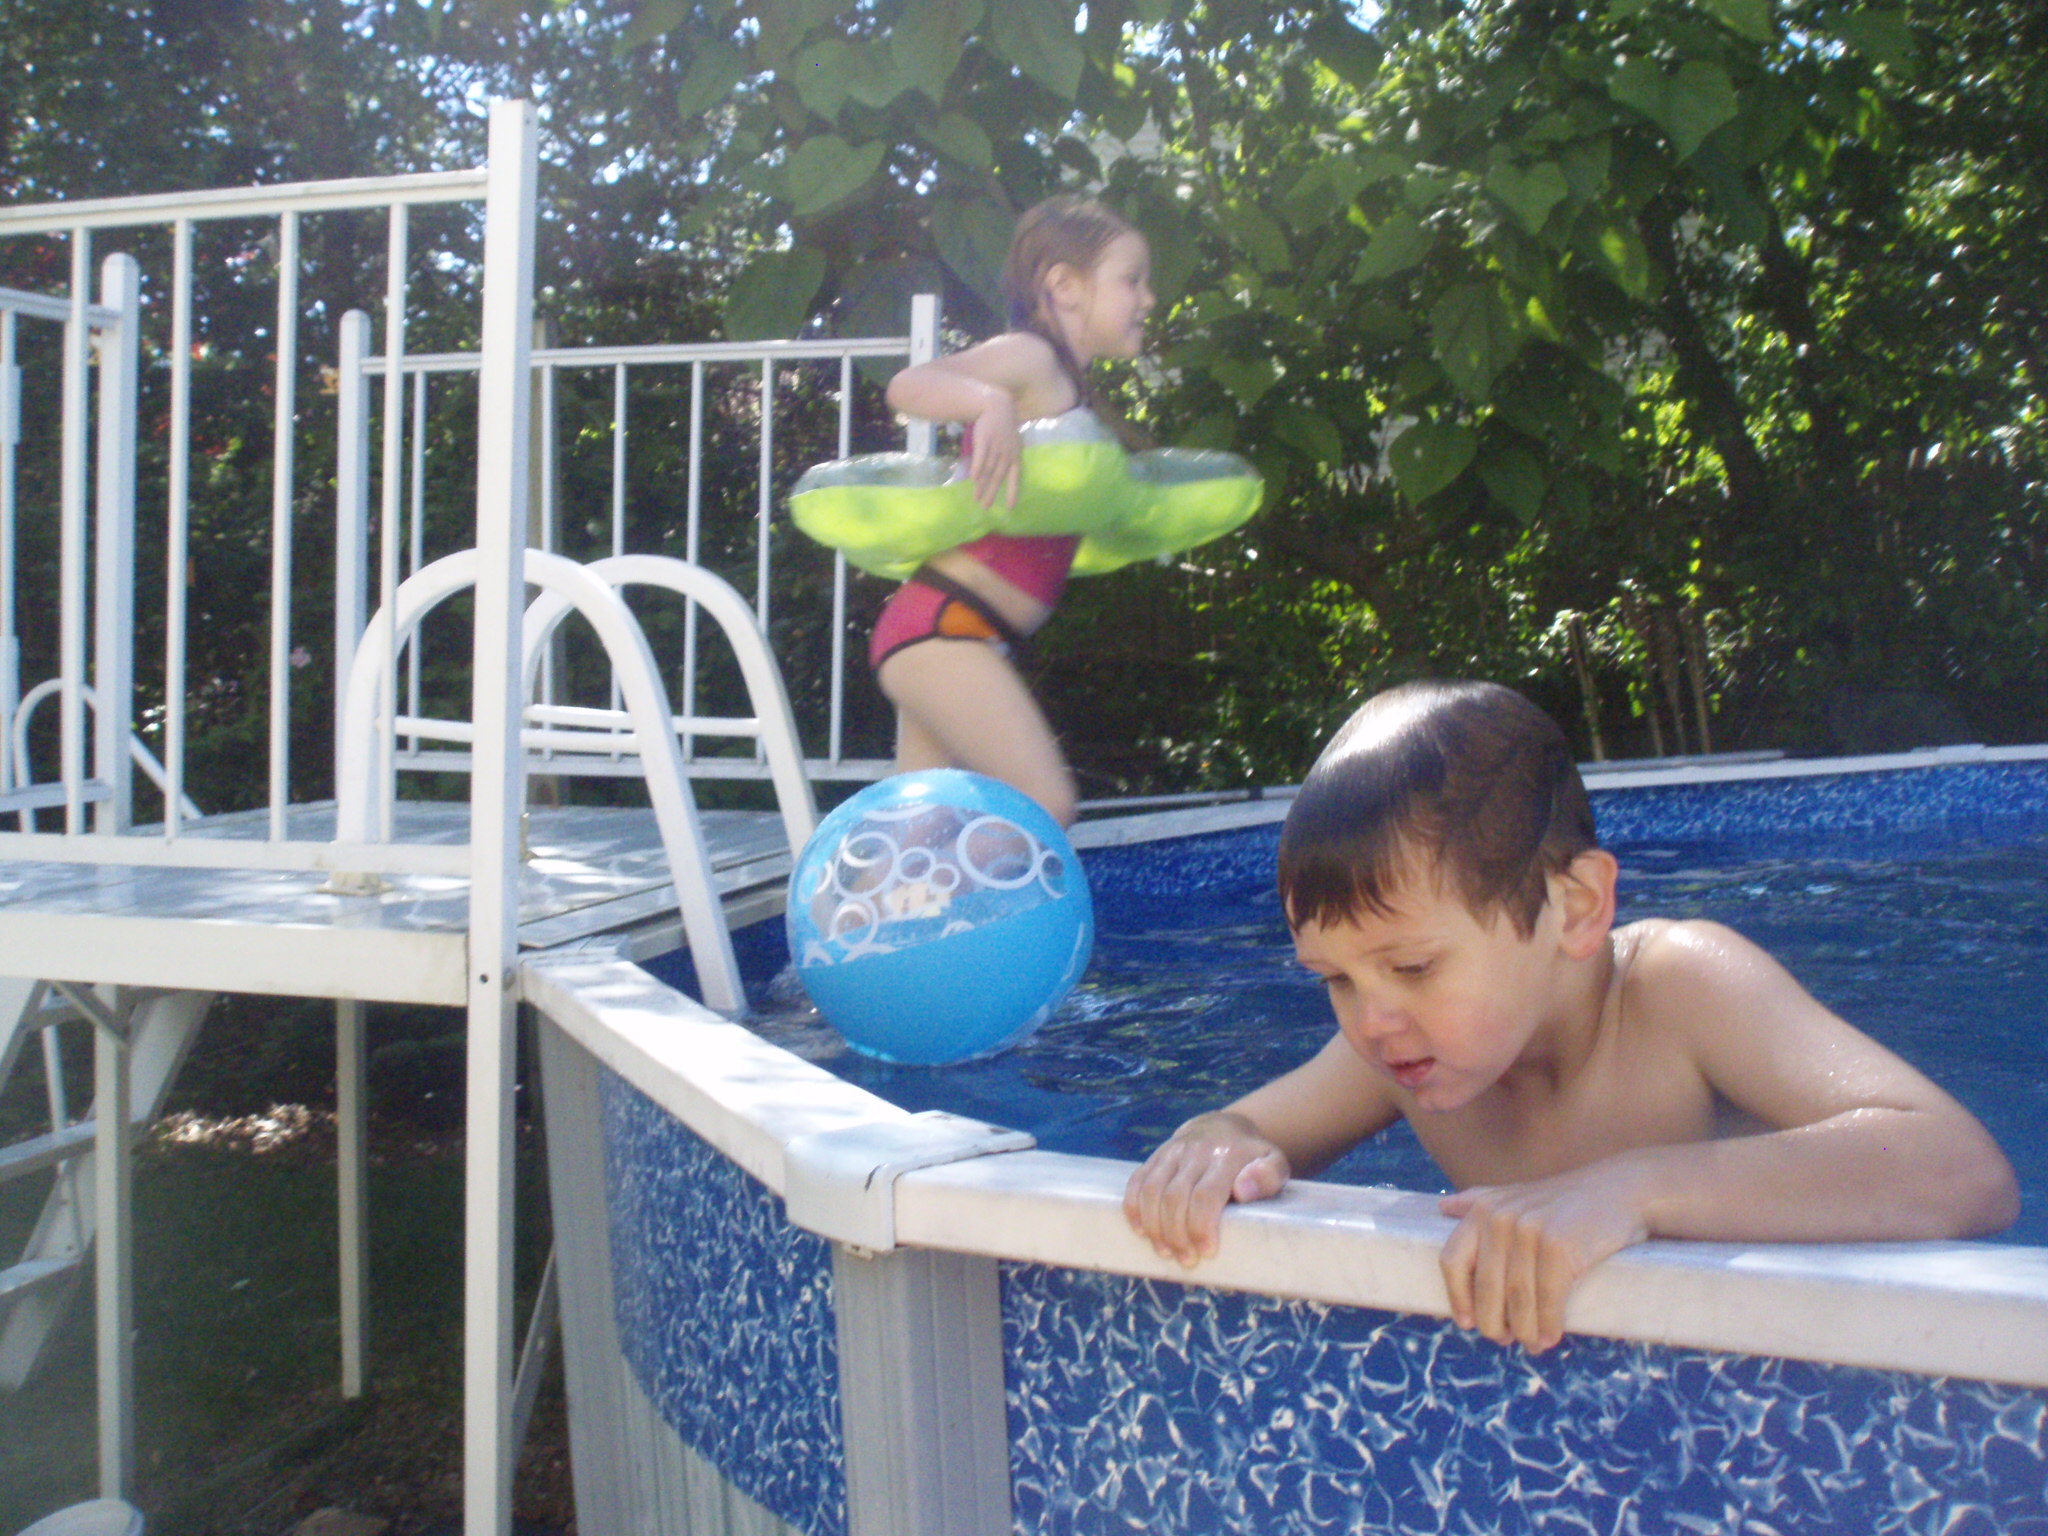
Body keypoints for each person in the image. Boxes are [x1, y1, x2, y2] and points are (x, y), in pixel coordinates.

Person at [1123, 680, 2018, 1353]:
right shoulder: (1401, 1052)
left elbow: (1963, 1171)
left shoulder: (1678, 990)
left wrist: (1636, 1191)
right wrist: (1214, 1142)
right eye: (1335, 979)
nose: (1372, 1019)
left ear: (1578, 907)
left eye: (1414, 966)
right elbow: (1244, 1128)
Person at [873, 195, 1156, 828]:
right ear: (1065, 285)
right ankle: (993, 893)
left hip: (953, 630)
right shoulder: (1032, 358)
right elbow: (908, 385)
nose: (1148, 298)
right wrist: (989, 403)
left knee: (918, 837)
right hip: (944, 626)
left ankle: (871, 898)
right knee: (1045, 805)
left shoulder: (1071, 391)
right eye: (1132, 280)